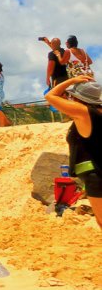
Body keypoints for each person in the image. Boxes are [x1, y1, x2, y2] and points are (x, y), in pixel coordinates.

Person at [45, 76, 102, 229]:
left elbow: (50, 96)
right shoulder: (96, 112)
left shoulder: (84, 112)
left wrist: (72, 81)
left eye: (71, 96)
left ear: (78, 98)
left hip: (96, 177)